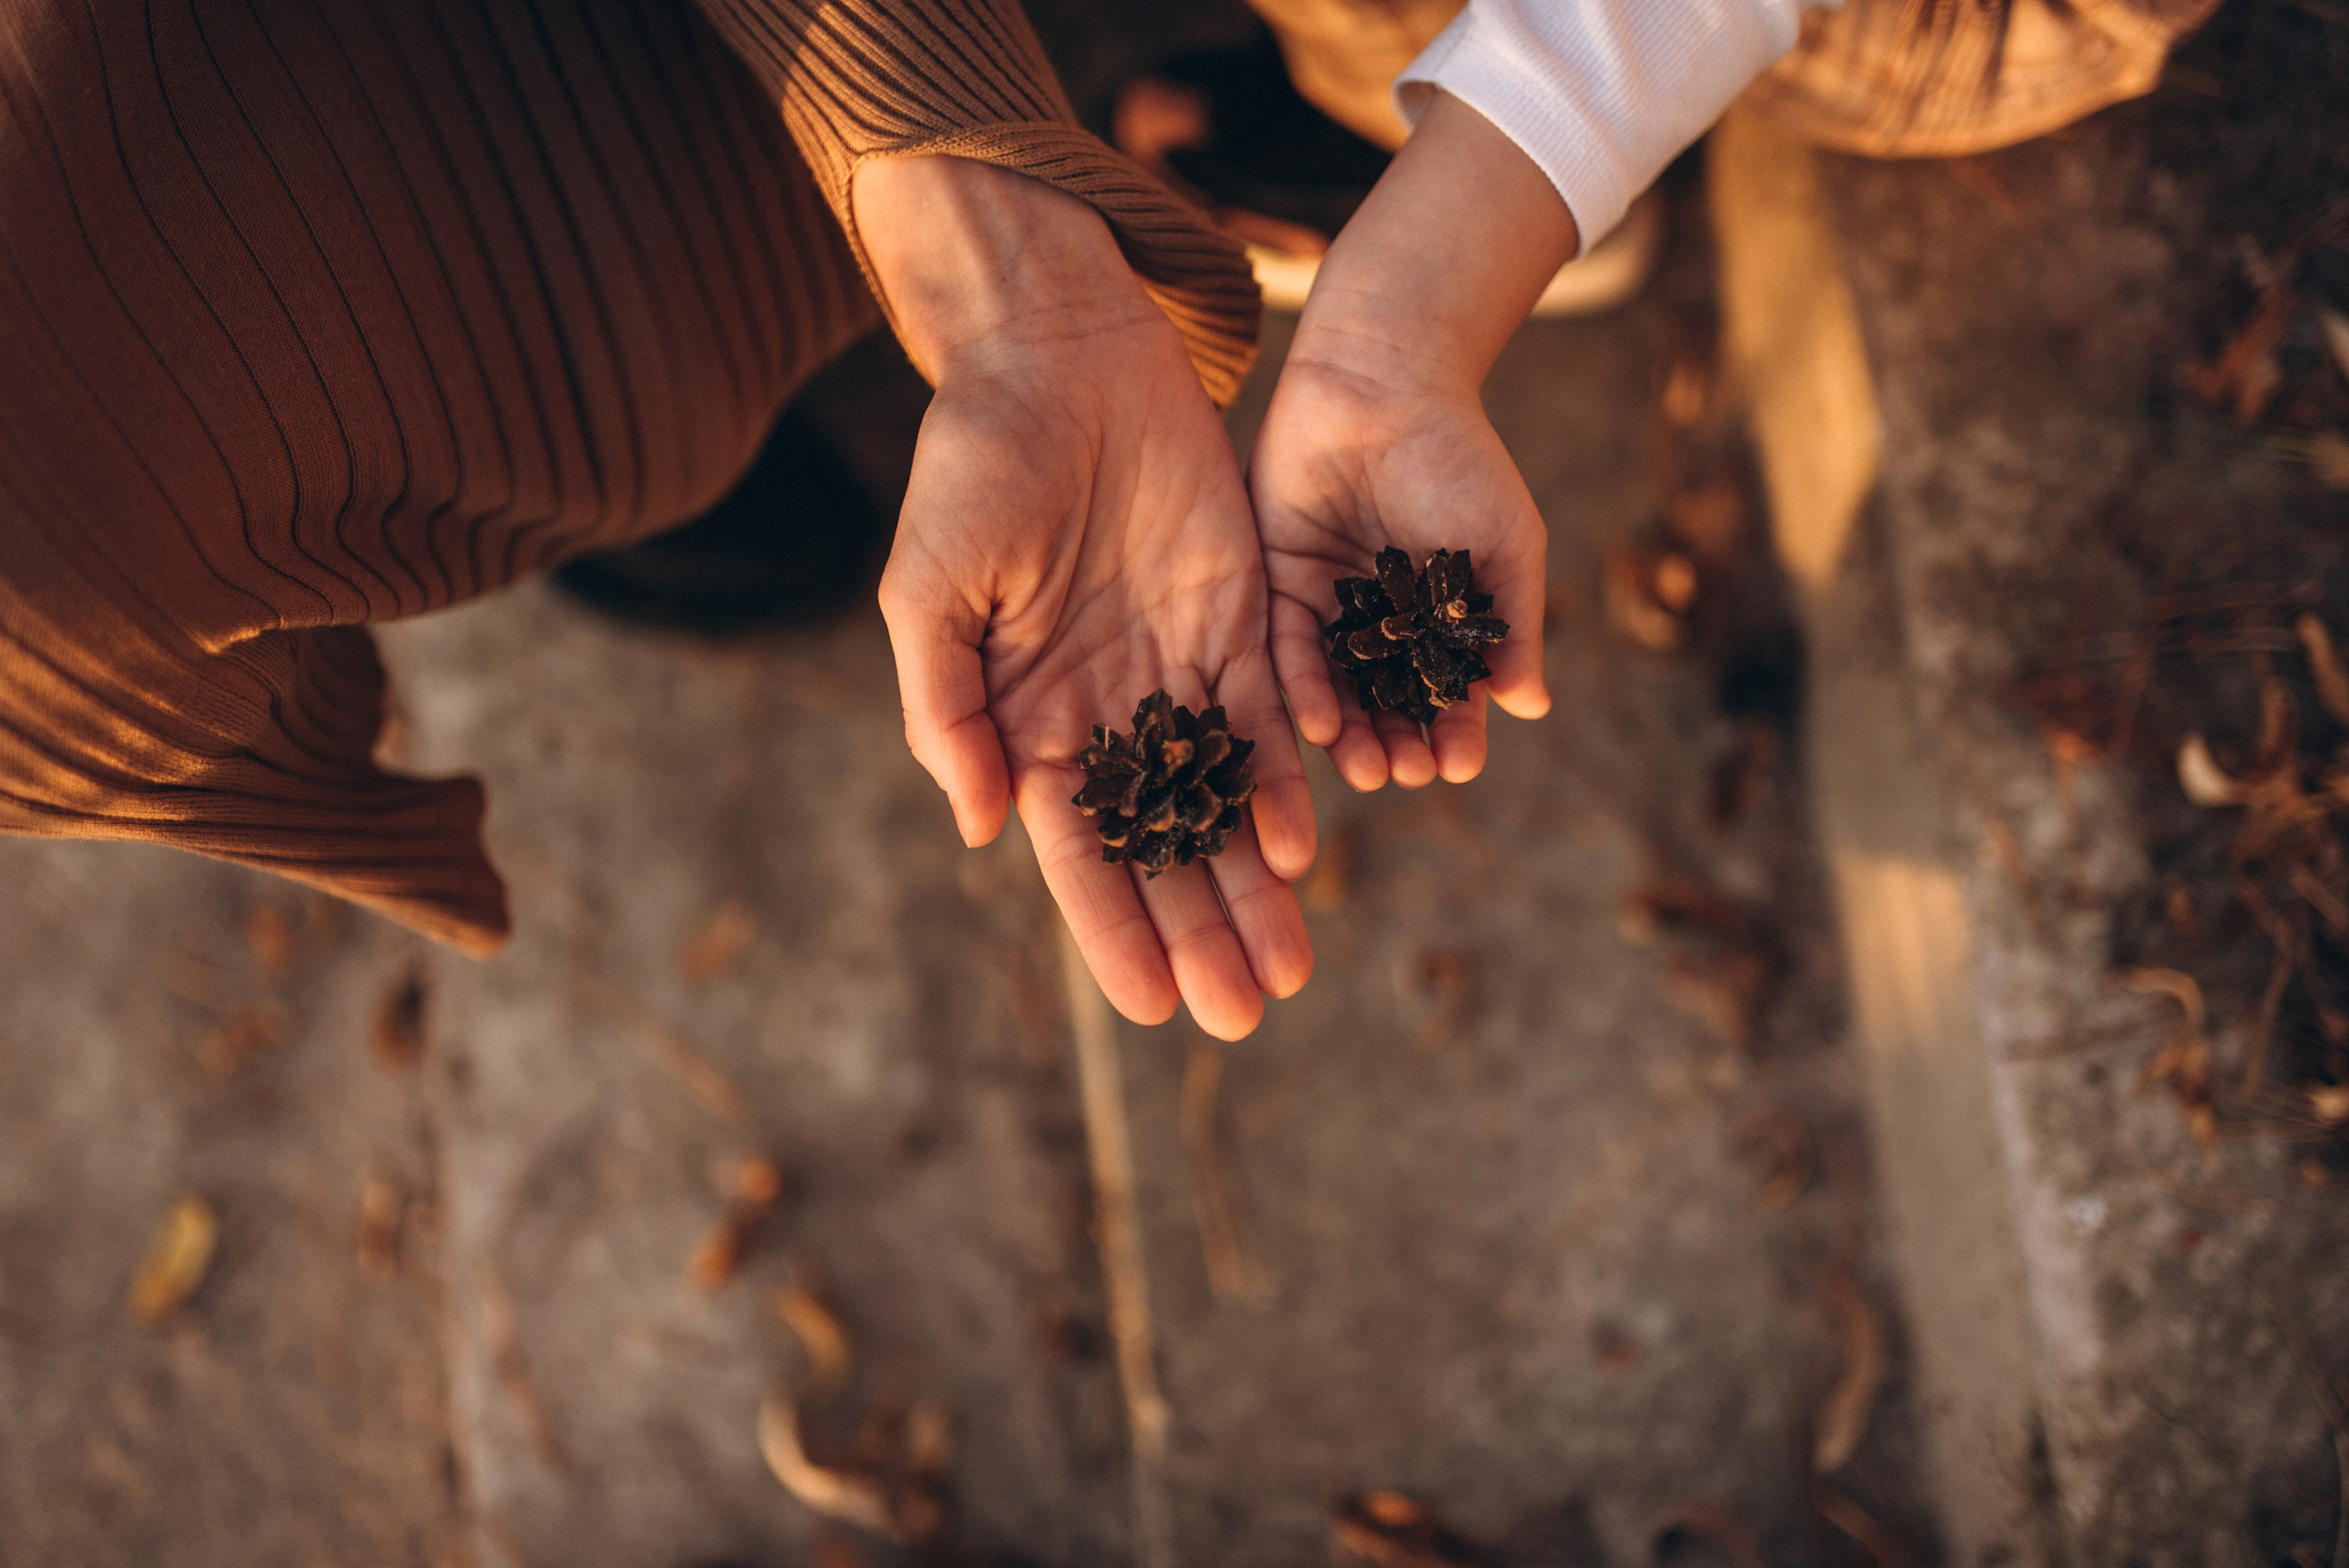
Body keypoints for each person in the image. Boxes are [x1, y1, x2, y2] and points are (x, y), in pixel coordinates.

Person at [0, 0, 2211, 1040]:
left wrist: (1476, 206)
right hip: (720, 197)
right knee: (699, 555)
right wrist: (1003, 259)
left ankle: (1247, 95)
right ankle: (1178, 112)